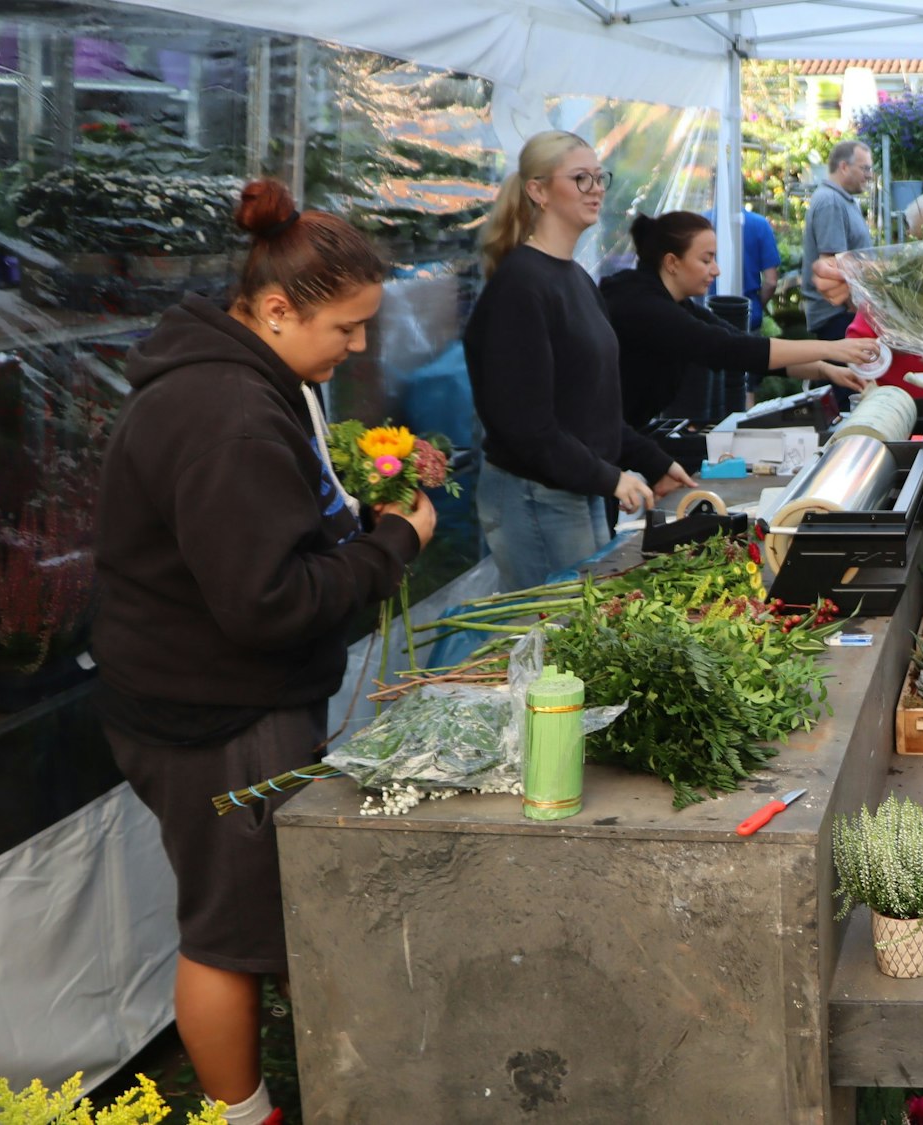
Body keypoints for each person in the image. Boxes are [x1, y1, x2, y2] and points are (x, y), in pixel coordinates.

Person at [93, 180, 436, 1125]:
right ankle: (242, 1114)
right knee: (227, 931)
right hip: (216, 712)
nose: (359, 346)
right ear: (277, 309)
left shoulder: (248, 379)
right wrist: (392, 547)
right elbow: (265, 602)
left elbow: (273, 529)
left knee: (242, 914)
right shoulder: (229, 413)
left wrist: (361, 520)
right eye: (347, 328)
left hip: (208, 693)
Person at [464, 130, 697, 592]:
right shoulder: (521, 286)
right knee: (558, 636)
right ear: (538, 190)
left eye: (599, 177)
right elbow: (526, 426)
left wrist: (647, 459)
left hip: (575, 487)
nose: (596, 189)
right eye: (581, 178)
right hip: (536, 495)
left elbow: (590, 405)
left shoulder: (574, 278)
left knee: (581, 631)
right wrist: (610, 477)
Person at [602, 210, 876, 426]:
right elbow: (727, 349)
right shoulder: (645, 307)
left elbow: (744, 346)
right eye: (706, 260)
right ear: (672, 262)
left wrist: (825, 369)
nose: (716, 270)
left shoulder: (674, 304)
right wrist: (833, 348)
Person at [844, 190, 923, 401]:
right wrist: (889, 345)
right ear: (911, 236)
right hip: (897, 406)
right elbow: (856, 351)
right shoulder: (888, 282)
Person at [800, 139, 875, 342]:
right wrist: (856, 308)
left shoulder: (843, 200)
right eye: (865, 168)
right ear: (843, 166)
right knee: (839, 374)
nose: (869, 175)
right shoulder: (830, 202)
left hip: (846, 316)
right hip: (838, 317)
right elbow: (832, 269)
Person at [703, 202, 779, 331]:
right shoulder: (760, 224)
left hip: (708, 315)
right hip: (748, 316)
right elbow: (771, 281)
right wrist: (756, 306)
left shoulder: (702, 223)